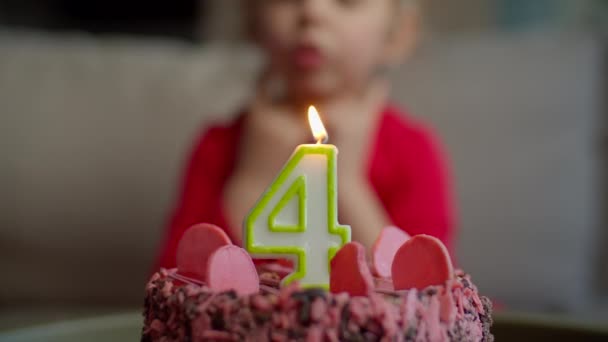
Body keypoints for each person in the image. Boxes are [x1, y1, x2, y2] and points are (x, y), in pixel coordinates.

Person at [156, 0, 456, 269]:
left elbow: (427, 295)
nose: (312, 10)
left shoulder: (414, 151)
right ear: (253, 20)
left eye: (347, 1)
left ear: (399, 32)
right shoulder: (218, 147)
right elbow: (175, 286)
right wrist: (253, 178)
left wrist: (348, 184)